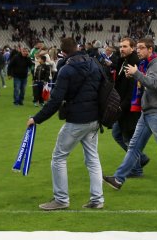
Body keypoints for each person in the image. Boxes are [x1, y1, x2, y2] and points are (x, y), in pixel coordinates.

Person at [27, 37, 105, 211]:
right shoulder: (94, 64)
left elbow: (55, 100)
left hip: (77, 119)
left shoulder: (67, 70)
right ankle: (97, 199)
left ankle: (61, 199)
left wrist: (36, 118)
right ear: (77, 47)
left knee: (58, 158)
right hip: (94, 118)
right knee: (93, 159)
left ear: (62, 52)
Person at [103, 37, 157, 192]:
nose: (138, 50)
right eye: (138, 48)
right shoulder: (147, 64)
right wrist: (135, 76)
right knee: (134, 146)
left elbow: (153, 83)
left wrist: (136, 74)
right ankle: (118, 178)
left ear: (150, 49)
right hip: (148, 111)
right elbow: (146, 84)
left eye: (141, 47)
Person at [111, 37, 149, 178]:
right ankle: (141, 158)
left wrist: (121, 107)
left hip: (130, 108)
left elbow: (133, 90)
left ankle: (136, 169)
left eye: (125, 46)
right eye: (121, 46)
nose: (122, 49)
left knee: (127, 138)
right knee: (119, 134)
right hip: (124, 106)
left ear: (132, 48)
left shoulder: (134, 63)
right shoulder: (124, 61)